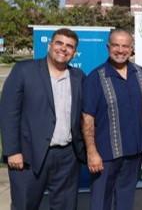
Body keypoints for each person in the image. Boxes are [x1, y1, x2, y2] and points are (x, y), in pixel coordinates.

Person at [0, 28, 85, 210]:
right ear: (49, 45)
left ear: (74, 52)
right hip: (28, 156)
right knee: (25, 205)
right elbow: (8, 112)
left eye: (69, 46)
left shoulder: (78, 77)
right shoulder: (24, 70)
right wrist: (12, 151)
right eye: (59, 43)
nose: (63, 49)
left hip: (67, 156)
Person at [82, 28, 142, 210]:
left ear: (131, 48)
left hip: (134, 151)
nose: (120, 50)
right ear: (108, 47)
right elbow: (87, 118)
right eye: (116, 45)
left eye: (125, 46)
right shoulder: (96, 77)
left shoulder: (140, 73)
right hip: (105, 154)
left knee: (125, 200)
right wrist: (91, 151)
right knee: (101, 202)